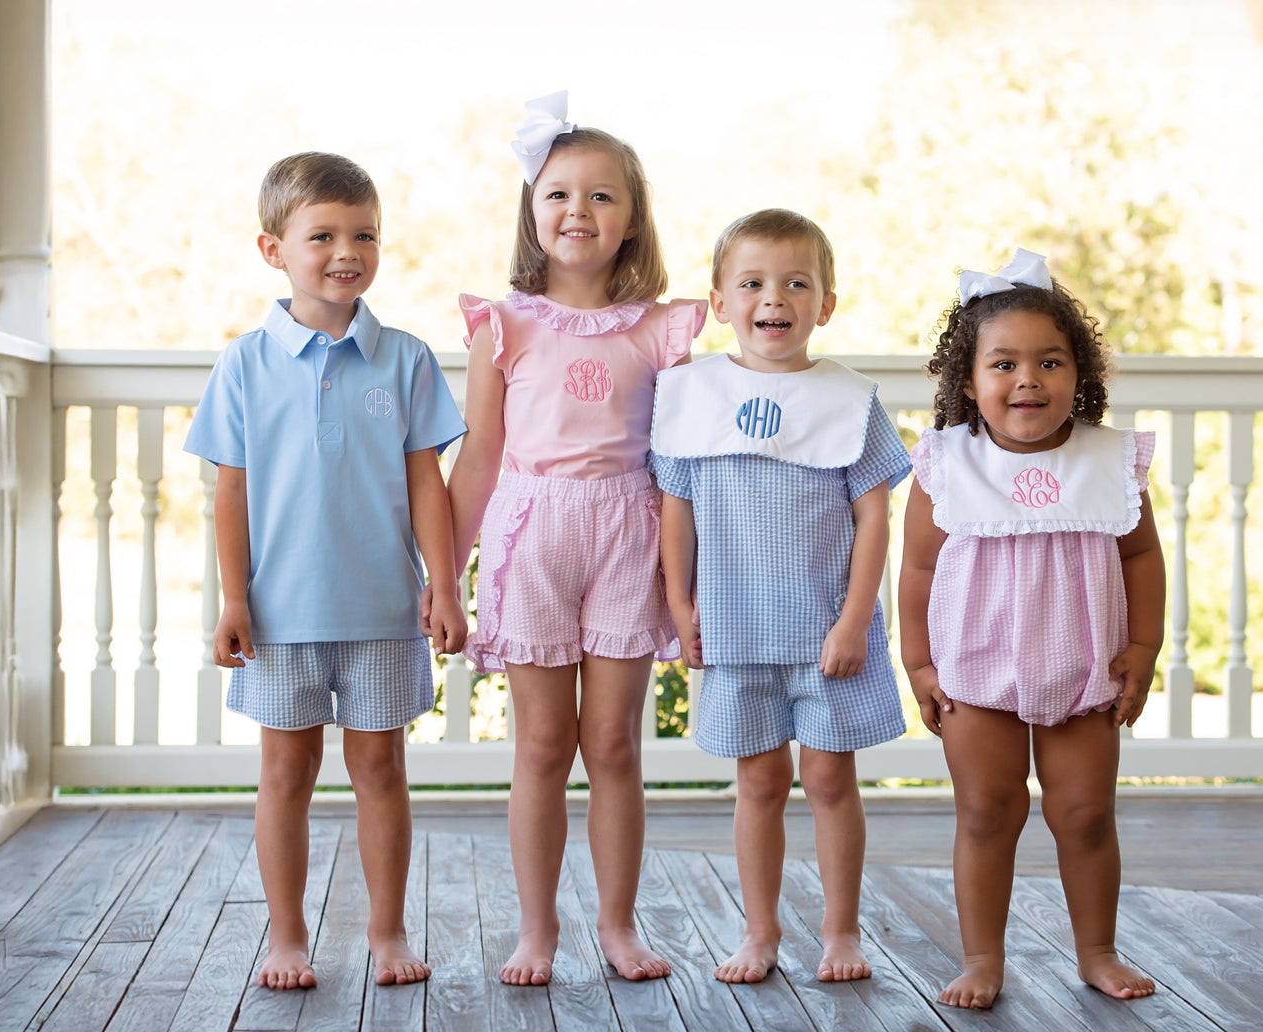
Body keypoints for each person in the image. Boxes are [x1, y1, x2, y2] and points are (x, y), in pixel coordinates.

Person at [184, 152, 467, 991]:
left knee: (381, 771)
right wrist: (235, 599)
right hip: (279, 616)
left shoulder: (405, 358)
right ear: (274, 249)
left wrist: (444, 585)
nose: (347, 250)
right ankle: (286, 938)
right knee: (285, 776)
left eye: (365, 234)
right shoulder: (243, 364)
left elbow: (427, 484)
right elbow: (227, 494)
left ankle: (387, 934)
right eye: (324, 235)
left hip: (383, 611)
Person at [441, 92, 704, 986]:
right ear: (531, 208)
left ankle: (619, 925)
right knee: (541, 748)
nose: (577, 212)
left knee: (615, 744)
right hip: (533, 533)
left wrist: (686, 583)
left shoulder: (663, 331)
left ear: (631, 220)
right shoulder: (501, 325)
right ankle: (535, 930)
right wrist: (442, 575)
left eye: (600, 196)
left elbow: (685, 468)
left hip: (628, 530)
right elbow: (478, 459)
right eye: (557, 193)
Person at [898, 248, 1163, 1008]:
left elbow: (1141, 557)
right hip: (973, 673)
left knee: (1083, 814)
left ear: (1078, 374)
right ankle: (982, 957)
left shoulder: (1107, 462)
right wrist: (919, 666)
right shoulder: (945, 466)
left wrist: (1141, 650)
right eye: (1003, 364)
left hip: (1086, 668)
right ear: (968, 380)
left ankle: (1097, 949)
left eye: (1049, 361)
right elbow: (916, 572)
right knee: (987, 812)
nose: (1027, 380)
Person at [651, 209, 911, 984]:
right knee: (757, 782)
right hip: (734, 629)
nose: (775, 298)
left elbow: (873, 516)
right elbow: (678, 507)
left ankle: (840, 932)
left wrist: (856, 619)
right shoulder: (692, 395)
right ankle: (758, 933)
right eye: (754, 283)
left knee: (830, 780)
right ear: (721, 300)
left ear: (824, 304)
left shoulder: (848, 401)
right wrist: (680, 603)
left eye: (797, 283)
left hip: (826, 632)